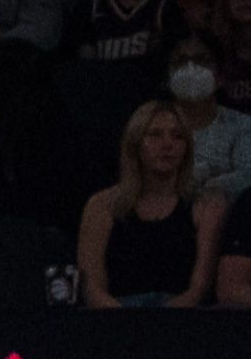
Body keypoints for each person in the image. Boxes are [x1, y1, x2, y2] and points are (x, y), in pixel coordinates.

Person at [81, 101, 228, 307]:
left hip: (180, 318)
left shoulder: (206, 207)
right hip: (117, 317)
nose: (167, 144)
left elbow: (199, 288)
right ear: (136, 143)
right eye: (155, 135)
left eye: (177, 136)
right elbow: (92, 286)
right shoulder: (102, 206)